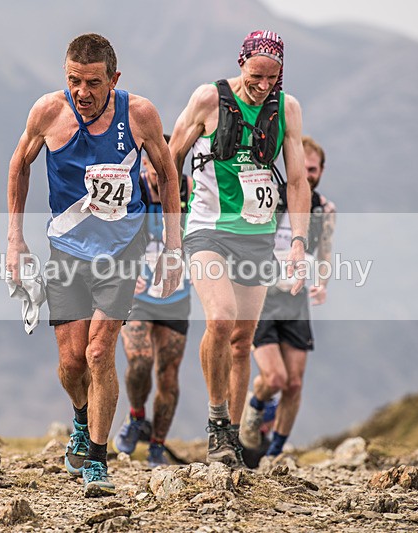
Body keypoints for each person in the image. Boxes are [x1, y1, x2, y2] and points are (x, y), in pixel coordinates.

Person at [6, 34, 183, 497]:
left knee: (99, 352)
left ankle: (98, 461)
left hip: (122, 252)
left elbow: (166, 173)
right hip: (66, 252)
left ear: (114, 79)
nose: (83, 92)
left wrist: (172, 246)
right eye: (74, 80)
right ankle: (81, 419)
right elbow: (19, 164)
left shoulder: (139, 114)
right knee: (70, 361)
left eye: (93, 83)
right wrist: (14, 239)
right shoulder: (48, 112)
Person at [168, 30, 311, 467]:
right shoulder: (209, 99)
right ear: (241, 62)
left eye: (271, 77)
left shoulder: (286, 109)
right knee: (222, 317)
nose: (262, 85)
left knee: (242, 339)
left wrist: (299, 244)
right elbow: (170, 156)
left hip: (257, 234)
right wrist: (170, 226)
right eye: (255, 75)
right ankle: (216, 424)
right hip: (207, 228)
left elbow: (300, 181)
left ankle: (230, 430)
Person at [239, 135, 337, 459]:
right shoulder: (270, 197)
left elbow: (325, 251)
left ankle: (275, 454)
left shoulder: (324, 208)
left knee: (294, 383)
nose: (308, 174)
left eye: (313, 169)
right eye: (303, 168)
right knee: (275, 378)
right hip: (263, 297)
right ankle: (255, 408)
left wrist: (321, 283)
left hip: (295, 300)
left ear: (321, 171)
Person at [114, 139, 193, 468]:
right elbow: (109, 234)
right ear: (144, 165)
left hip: (176, 296)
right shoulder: (132, 191)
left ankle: (157, 446)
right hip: (137, 296)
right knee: (141, 362)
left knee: (169, 376)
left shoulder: (191, 192)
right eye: (155, 165)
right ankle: (135, 418)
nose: (162, 172)